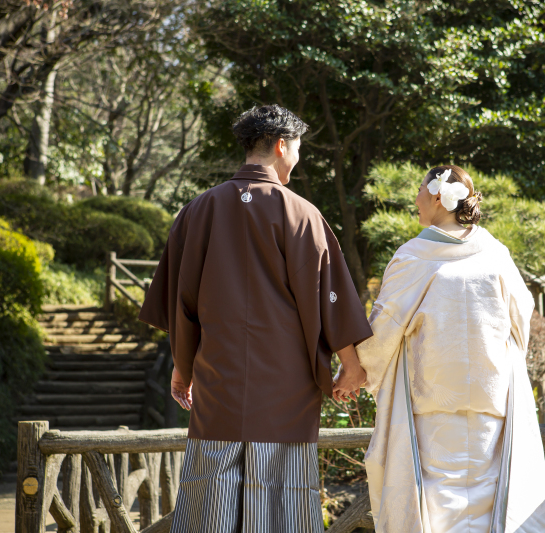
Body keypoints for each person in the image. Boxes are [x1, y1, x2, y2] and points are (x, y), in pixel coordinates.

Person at [138, 104, 372, 533]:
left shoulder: (198, 210)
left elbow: (181, 304)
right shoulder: (301, 213)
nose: (298, 156)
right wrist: (351, 366)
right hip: (286, 388)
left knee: (210, 501)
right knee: (283, 502)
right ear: (282, 146)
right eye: (297, 147)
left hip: (218, 382)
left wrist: (183, 368)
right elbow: (329, 298)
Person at [354, 165, 545, 532]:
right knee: (490, 500)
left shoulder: (414, 257)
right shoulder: (495, 253)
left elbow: (385, 326)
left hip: (432, 402)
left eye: (419, 190)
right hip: (491, 400)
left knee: (436, 505)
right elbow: (521, 317)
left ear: (436, 196)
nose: (415, 199)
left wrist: (355, 370)